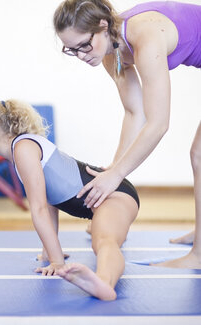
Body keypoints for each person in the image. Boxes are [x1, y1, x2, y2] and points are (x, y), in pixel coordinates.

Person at [53, 0, 201, 268]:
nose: (82, 55)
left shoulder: (144, 35)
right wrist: (112, 179)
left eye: (85, 45)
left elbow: (158, 124)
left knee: (199, 155)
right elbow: (135, 113)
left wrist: (116, 175)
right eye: (72, 50)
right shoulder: (112, 51)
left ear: (102, 25)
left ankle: (199, 254)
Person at [0, 93, 139, 301]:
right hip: (98, 204)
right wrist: (50, 252)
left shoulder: (23, 149)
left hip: (114, 196)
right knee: (102, 235)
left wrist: (58, 262)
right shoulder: (18, 151)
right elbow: (51, 200)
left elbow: (39, 208)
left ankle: (105, 283)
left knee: (104, 241)